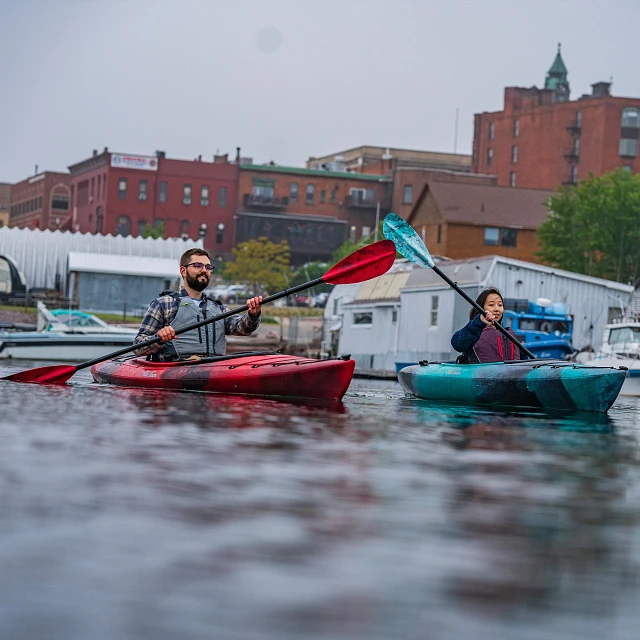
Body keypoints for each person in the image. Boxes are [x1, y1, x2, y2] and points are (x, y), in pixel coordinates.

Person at [133, 248, 263, 361]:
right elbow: (138, 346)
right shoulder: (163, 304)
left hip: (213, 369)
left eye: (208, 267)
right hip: (175, 371)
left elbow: (241, 328)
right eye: (197, 265)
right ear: (183, 271)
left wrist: (253, 314)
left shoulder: (218, 308)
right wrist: (159, 338)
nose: (204, 270)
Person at [451, 287, 521, 363]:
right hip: (480, 374)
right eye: (491, 305)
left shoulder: (510, 334)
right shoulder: (474, 331)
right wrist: (479, 322)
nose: (497, 309)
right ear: (481, 308)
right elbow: (457, 344)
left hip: (511, 374)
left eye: (500, 305)